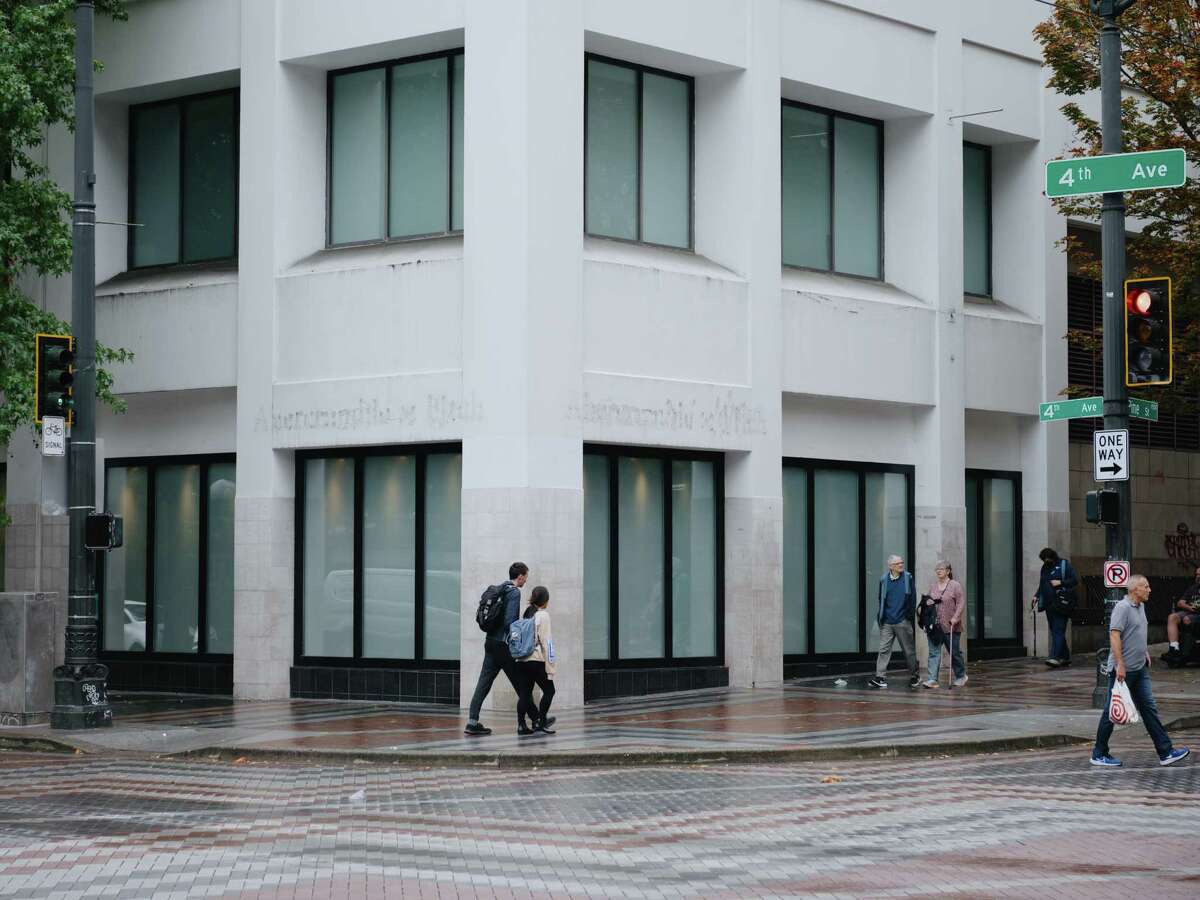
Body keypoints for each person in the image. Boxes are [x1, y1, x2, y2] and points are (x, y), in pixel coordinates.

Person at [1091, 574, 1190, 768]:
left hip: (1139, 668)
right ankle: (1099, 753)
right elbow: (1115, 636)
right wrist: (1120, 664)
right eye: (1146, 586)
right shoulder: (1122, 607)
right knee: (1111, 713)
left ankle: (1166, 752)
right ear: (1135, 589)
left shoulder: (1141, 606)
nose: (1149, 589)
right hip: (1123, 670)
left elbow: (1137, 631)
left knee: (1149, 709)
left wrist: (1144, 651)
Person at [464, 562, 528, 736]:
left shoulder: (500, 588)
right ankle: (537, 718)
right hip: (503, 645)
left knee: (483, 683)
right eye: (525, 577)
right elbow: (510, 622)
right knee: (521, 682)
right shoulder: (514, 592)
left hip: (490, 642)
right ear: (520, 576)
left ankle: (472, 722)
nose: (525, 580)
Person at [868, 555, 920, 690]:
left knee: (908, 651)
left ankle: (915, 675)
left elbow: (912, 599)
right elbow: (881, 599)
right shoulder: (884, 580)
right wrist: (882, 616)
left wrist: (907, 617)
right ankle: (880, 677)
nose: (901, 565)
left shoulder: (908, 578)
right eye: (898, 564)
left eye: (902, 563)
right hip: (887, 622)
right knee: (883, 650)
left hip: (902, 621)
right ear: (890, 566)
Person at [514, 585, 557, 736]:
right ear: (545, 601)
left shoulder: (528, 613)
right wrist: (550, 666)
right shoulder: (543, 615)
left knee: (525, 694)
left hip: (522, 660)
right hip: (536, 660)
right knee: (550, 690)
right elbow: (547, 642)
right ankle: (541, 722)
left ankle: (521, 725)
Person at [1030, 547, 1077, 668]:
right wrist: (1036, 596)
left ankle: (1054, 657)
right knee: (1056, 631)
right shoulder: (1044, 568)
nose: (1046, 562)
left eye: (1048, 559)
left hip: (1061, 604)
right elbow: (1042, 584)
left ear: (1053, 557)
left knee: (1058, 630)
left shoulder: (1064, 565)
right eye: (1044, 560)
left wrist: (1061, 582)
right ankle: (1065, 657)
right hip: (1048, 605)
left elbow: (1074, 580)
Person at [922, 560, 966, 688]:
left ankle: (961, 675)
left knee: (954, 653)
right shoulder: (933, 586)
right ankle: (932, 679)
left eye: (941, 569)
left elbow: (961, 603)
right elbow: (928, 604)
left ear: (948, 571)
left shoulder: (955, 585)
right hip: (935, 626)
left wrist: (955, 618)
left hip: (950, 625)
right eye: (937, 569)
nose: (939, 571)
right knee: (934, 652)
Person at [1163, 566, 1200, 665]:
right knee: (1172, 617)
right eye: (1197, 574)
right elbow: (1180, 603)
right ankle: (1174, 648)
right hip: (1191, 611)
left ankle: (1186, 652)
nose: (1198, 577)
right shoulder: (1193, 588)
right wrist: (1189, 608)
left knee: (1187, 619)